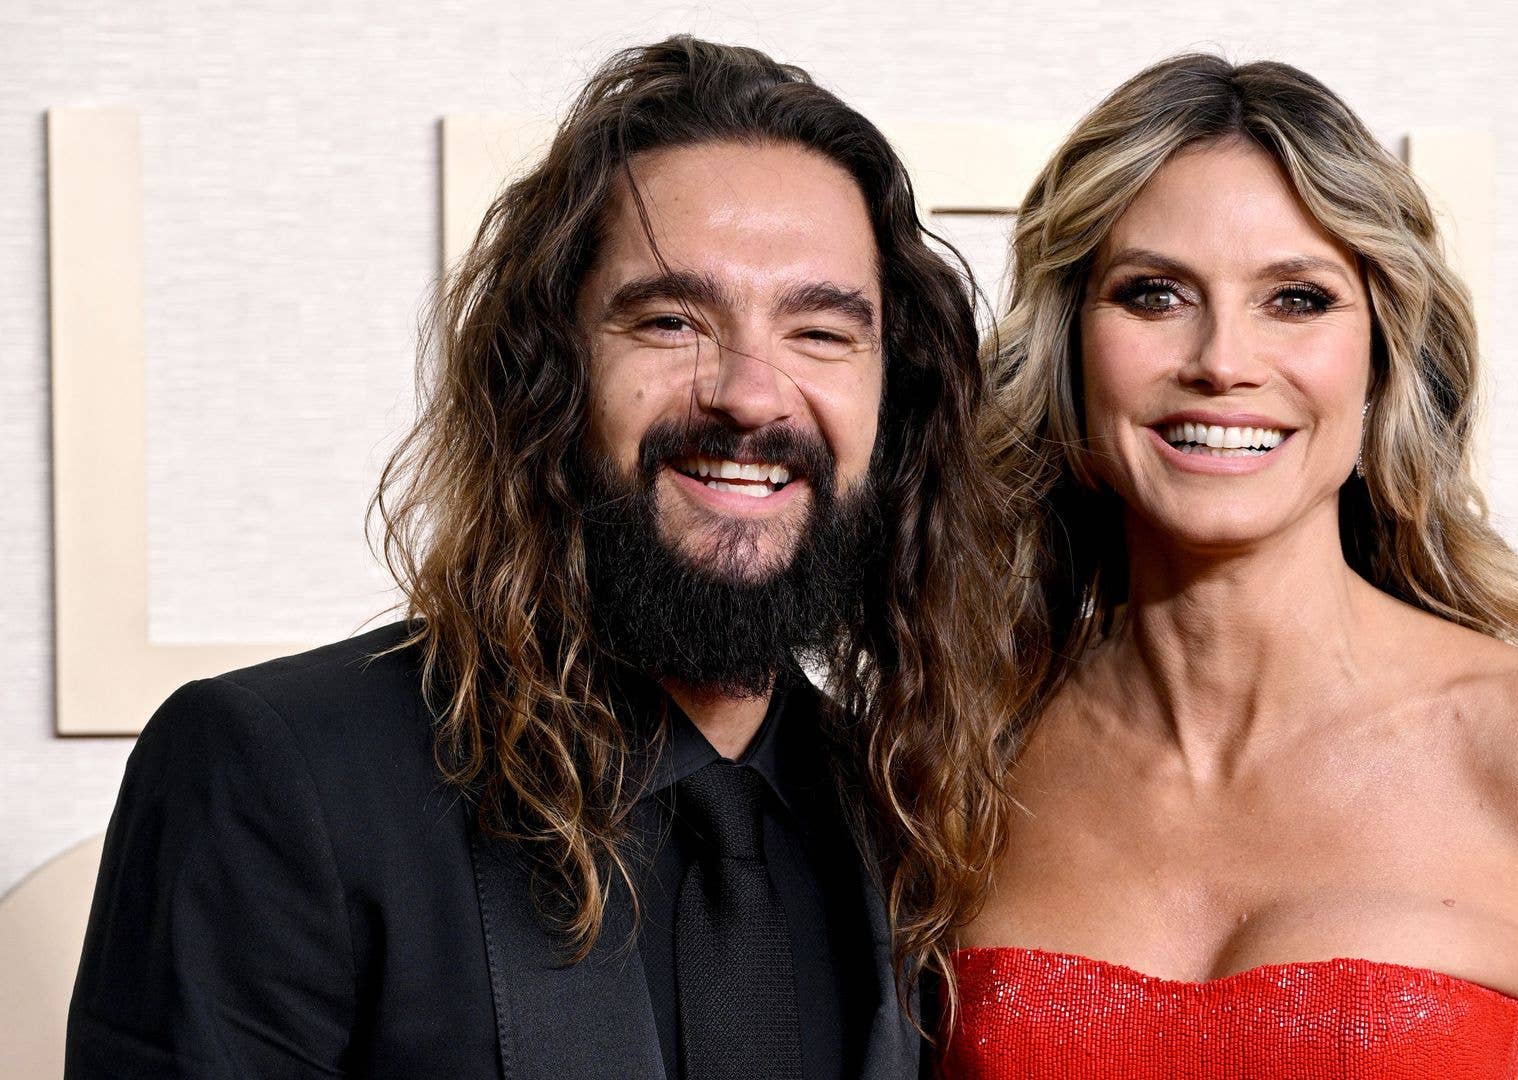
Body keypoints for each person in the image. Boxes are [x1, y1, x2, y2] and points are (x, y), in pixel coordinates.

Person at [878, 54, 1518, 1078]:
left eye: (1298, 299)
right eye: (1153, 295)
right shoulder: (955, 747)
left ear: (1383, 360)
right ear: (1068, 353)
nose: (1223, 360)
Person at [66, 35, 1013, 1080]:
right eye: (668, 319)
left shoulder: (908, 813)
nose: (749, 392)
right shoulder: (272, 777)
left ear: (896, 402)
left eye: (821, 335)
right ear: (550, 377)